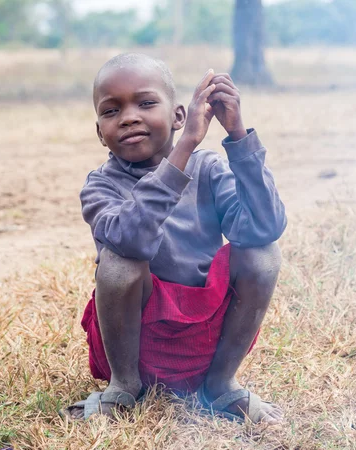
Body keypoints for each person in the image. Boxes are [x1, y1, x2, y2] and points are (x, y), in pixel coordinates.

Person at [61, 53, 286, 425]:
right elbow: (132, 241)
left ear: (179, 116)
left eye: (146, 103)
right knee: (118, 258)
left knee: (262, 253)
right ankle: (123, 389)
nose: (129, 117)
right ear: (101, 133)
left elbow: (265, 227)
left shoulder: (209, 169)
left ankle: (220, 385)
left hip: (206, 344)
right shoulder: (101, 186)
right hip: (134, 346)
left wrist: (238, 135)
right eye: (111, 111)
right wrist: (184, 148)